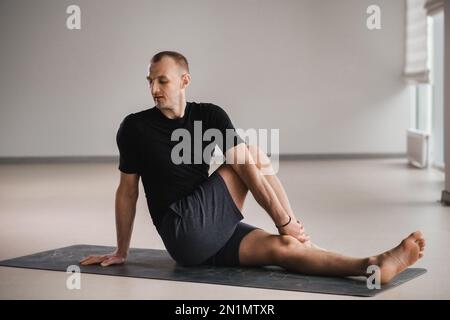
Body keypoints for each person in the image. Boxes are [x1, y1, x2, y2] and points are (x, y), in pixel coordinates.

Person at [80, 51, 425, 284]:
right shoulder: (135, 127)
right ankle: (292, 225)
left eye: (163, 81)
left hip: (209, 235)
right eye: (150, 81)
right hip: (182, 230)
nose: (154, 89)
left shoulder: (210, 115)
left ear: (184, 81)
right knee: (250, 156)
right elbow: (127, 191)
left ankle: (371, 265)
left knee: (284, 249)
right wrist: (121, 250)